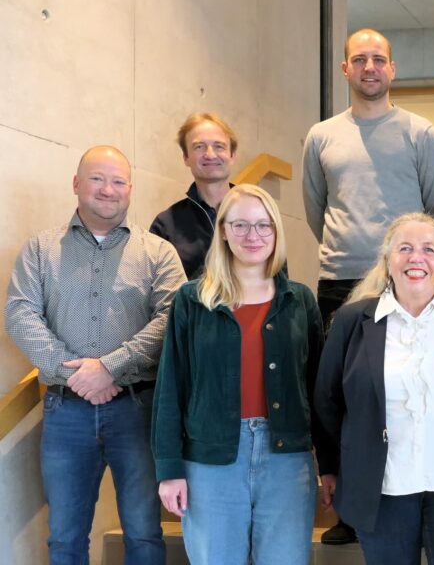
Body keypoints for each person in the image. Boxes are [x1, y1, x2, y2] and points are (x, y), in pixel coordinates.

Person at [5, 146, 186, 564]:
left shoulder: (158, 252)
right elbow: (19, 314)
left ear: (130, 189)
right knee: (65, 538)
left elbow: (172, 320)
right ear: (76, 184)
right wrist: (76, 376)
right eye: (97, 179)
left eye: (119, 181)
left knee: (143, 533)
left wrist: (109, 367)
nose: (109, 189)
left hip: (139, 410)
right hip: (65, 412)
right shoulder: (40, 250)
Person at [314, 213, 434, 565]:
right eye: (405, 248)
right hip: (383, 492)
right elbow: (327, 401)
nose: (416, 257)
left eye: (428, 249)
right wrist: (331, 466)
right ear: (388, 262)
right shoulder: (351, 321)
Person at [151, 184, 326, 563]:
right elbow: (170, 389)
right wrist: (169, 470)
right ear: (224, 231)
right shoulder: (192, 300)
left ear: (277, 233)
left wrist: (329, 466)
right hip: (211, 462)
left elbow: (318, 389)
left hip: (287, 461)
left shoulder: (300, 302)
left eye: (264, 225)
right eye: (241, 224)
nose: (253, 235)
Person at [303, 27, 434, 325]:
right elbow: (316, 208)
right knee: (339, 370)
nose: (369, 68)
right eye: (359, 60)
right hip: (339, 279)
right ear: (345, 69)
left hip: (403, 276)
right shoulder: (320, 136)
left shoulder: (421, 133)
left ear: (392, 69)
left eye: (379, 60)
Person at [151, 112, 238, 279]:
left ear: (232, 155)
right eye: (199, 146)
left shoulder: (259, 215)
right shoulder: (166, 225)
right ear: (186, 157)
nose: (210, 154)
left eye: (219, 146)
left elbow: (279, 283)